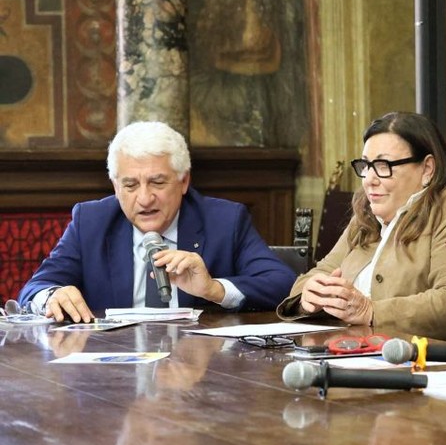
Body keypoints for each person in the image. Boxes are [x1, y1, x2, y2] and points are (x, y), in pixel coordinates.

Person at [18, 121, 295, 322]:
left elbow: (282, 284)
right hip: (114, 369)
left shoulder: (224, 220)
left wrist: (214, 289)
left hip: (199, 366)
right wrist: (52, 295)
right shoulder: (91, 221)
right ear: (115, 187)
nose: (144, 199)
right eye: (130, 185)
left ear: (184, 181)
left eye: (157, 182)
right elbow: (34, 289)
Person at [277, 111, 446, 341]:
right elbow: (321, 272)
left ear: (427, 169)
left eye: (383, 165)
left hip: (421, 358)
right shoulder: (367, 212)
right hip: (347, 349)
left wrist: (371, 311)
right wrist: (309, 296)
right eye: (366, 165)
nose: (369, 179)